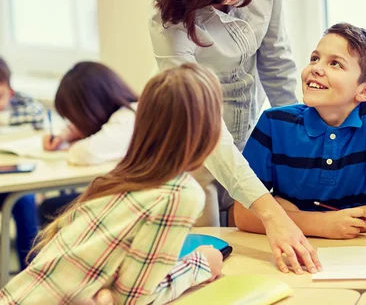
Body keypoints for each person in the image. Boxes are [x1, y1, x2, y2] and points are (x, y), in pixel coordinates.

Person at [149, 0, 319, 273]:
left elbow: (276, 60)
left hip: (249, 131)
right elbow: (204, 127)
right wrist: (271, 213)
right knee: (211, 262)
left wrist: (299, 139)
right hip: (194, 148)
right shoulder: (171, 25)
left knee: (260, 254)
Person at [0, 64, 225, 304]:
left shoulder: (121, 177)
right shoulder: (179, 193)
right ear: (208, 128)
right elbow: (133, 298)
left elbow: (119, 290)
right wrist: (199, 266)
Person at [234, 23, 366, 239]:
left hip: (355, 252)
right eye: (314, 58)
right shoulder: (274, 122)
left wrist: (286, 214)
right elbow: (243, 215)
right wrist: (321, 224)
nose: (316, 68)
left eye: (335, 63)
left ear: (365, 90)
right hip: (293, 249)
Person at [39, 61, 139, 227]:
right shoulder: (127, 112)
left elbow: (84, 153)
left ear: (91, 107)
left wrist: (73, 144)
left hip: (136, 204)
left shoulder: (127, 118)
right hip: (133, 197)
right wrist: (67, 134)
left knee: (51, 208)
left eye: (75, 117)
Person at [0, 57, 44, 270]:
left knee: (25, 201)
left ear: (10, 87)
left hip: (17, 181)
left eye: (0, 95)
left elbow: (39, 132)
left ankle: (31, 273)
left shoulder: (27, 106)